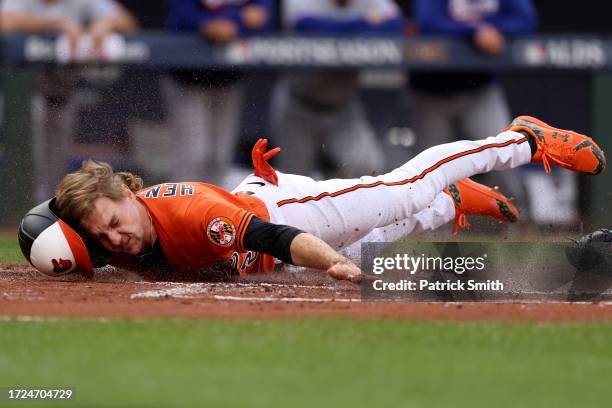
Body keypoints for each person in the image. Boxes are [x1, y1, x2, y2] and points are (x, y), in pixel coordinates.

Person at [19, 116, 606, 282]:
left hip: (284, 217)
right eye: (103, 236)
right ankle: (447, 206)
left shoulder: (186, 212)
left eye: (115, 223)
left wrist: (329, 261)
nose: (114, 239)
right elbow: (56, 231)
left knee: (402, 189)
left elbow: (279, 240)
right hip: (258, 201)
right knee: (380, 240)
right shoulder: (108, 223)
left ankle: (521, 140)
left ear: (129, 191)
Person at [407, 0, 538, 218]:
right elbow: (427, 22)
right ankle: (431, 241)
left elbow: (526, 20)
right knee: (429, 172)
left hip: (479, 90)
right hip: (429, 91)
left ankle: (520, 226)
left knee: (505, 153)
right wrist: (473, 30)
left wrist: (492, 30)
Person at [0, 0, 138, 202]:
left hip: (62, 90)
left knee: (56, 161)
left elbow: (128, 21)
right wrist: (56, 23)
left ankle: (50, 209)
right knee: (29, 158)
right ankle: (20, 209)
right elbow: (4, 22)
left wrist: (104, 25)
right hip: (24, 89)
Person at [269, 0, 404, 178]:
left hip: (342, 107)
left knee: (367, 166)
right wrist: (364, 23)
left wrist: (339, 28)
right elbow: (306, 25)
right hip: (299, 105)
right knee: (292, 180)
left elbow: (396, 25)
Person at [162, 0, 273, 188]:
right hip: (188, 77)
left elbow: (262, 15)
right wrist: (218, 21)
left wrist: (234, 22)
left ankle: (212, 211)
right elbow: (180, 14)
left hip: (228, 77)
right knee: (195, 154)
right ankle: (180, 210)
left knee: (221, 155)